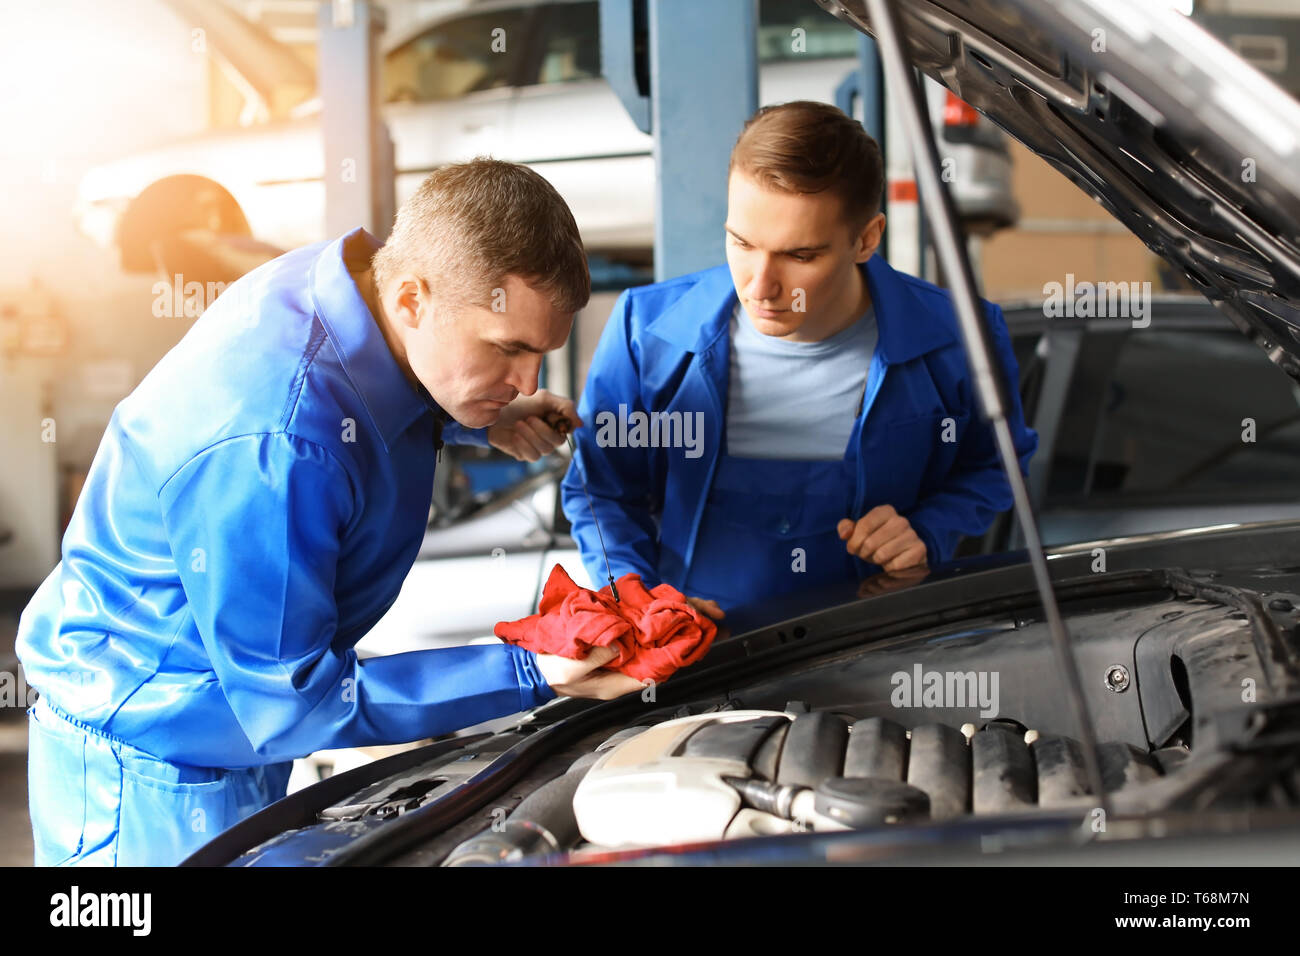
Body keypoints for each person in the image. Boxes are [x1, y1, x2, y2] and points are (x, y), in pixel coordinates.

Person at [17, 159, 641, 867]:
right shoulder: (279, 444)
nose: (529, 380)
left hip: (232, 727)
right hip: (152, 765)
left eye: (541, 353)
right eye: (508, 350)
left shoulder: (352, 284)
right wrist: (528, 671)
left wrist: (475, 416)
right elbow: (293, 705)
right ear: (412, 298)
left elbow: (373, 384)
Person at [563, 101, 1038, 622]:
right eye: (741, 243)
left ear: (866, 239)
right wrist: (637, 599)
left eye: (800, 256)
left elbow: (997, 466)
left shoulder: (960, 338)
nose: (761, 287)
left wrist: (927, 529)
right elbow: (601, 490)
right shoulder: (645, 332)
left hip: (879, 645)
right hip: (697, 659)